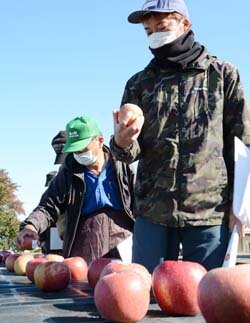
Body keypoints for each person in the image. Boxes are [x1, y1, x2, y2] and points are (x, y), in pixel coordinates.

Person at [110, 0, 250, 272]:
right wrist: (122, 142)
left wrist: (241, 207)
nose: (155, 35)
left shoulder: (222, 75)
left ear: (185, 24)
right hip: (153, 213)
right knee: (145, 299)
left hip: (209, 212)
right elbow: (129, 153)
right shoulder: (139, 83)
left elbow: (243, 143)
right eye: (148, 30)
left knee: (205, 300)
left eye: (162, 26)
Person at [16, 116, 135, 264]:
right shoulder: (68, 172)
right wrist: (30, 226)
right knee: (82, 283)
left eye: (83, 148)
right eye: (75, 150)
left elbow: (141, 202)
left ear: (100, 140)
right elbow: (48, 206)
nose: (79, 154)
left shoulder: (122, 166)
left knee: (123, 284)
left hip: (123, 240)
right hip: (85, 243)